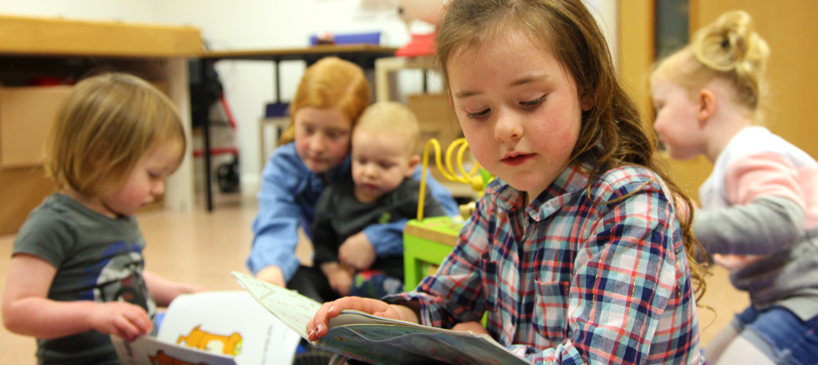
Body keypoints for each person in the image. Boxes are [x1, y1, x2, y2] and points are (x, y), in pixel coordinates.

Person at [307, 1, 709, 364]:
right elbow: (442, 299)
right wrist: (399, 318)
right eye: (478, 111)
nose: (504, 129)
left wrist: (479, 354)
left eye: (531, 100)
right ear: (455, 106)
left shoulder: (628, 202)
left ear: (586, 87)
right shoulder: (499, 201)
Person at [650, 10, 818, 364]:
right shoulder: (734, 163)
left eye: (661, 107)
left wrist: (684, 221)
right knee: (708, 358)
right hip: (783, 297)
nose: (656, 123)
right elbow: (732, 239)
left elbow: (780, 221)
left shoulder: (751, 149)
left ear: (704, 104)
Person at [1, 72, 206, 365]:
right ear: (101, 157)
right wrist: (92, 314)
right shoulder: (53, 224)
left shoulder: (120, 213)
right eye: (152, 175)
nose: (159, 189)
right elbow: (16, 311)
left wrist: (175, 293)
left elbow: (124, 274)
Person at [247, 57, 459, 301]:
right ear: (294, 118)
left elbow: (447, 221)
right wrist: (271, 269)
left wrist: (376, 239)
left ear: (357, 130)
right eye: (306, 129)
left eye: (334, 134)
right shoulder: (284, 166)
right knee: (295, 280)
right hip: (341, 277)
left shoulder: (380, 157)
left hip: (395, 276)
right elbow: (274, 227)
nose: (316, 146)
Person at [311, 101, 448, 301]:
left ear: (410, 166)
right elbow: (322, 243)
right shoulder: (335, 196)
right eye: (362, 161)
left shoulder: (414, 194)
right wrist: (333, 271)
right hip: (346, 285)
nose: (370, 172)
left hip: (404, 284)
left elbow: (439, 228)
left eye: (384, 165)